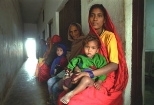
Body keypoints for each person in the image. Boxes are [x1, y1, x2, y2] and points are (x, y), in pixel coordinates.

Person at [63, 4, 128, 105]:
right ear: (89, 18)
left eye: (99, 15)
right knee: (65, 89)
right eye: (92, 15)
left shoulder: (109, 36)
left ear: (104, 20)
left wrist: (90, 74)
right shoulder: (89, 37)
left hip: (104, 77)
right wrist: (77, 69)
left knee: (74, 102)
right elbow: (82, 58)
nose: (95, 19)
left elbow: (114, 65)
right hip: (86, 72)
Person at [60, 34, 107, 104]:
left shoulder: (99, 59)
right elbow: (70, 65)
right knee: (64, 84)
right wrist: (67, 75)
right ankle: (71, 92)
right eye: (87, 47)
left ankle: (71, 94)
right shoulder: (79, 58)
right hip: (77, 78)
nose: (89, 50)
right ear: (83, 47)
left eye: (93, 48)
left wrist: (99, 81)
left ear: (97, 50)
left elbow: (104, 72)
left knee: (86, 79)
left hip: (90, 81)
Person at [47, 23, 85, 105]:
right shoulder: (73, 42)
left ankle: (54, 102)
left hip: (76, 70)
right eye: (71, 32)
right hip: (69, 68)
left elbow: (84, 60)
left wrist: (72, 71)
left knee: (55, 87)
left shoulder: (84, 41)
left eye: (75, 31)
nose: (73, 34)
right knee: (50, 81)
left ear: (80, 30)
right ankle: (52, 101)